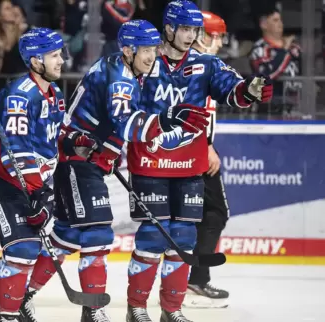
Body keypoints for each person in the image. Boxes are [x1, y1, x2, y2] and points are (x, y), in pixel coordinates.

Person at [19, 19, 210, 322]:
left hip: (82, 158)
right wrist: (170, 119)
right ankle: (93, 310)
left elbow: (116, 122)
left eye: (153, 48)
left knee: (68, 234)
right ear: (127, 50)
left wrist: (108, 151)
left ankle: (20, 295)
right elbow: (129, 124)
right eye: (145, 50)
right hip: (76, 160)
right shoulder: (120, 77)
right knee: (97, 233)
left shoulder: (123, 69)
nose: (152, 56)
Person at [124, 2, 273, 322]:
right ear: (168, 29)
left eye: (195, 30)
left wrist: (250, 89)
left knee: (184, 238)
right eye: (187, 29)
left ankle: (172, 310)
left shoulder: (206, 64)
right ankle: (136, 308)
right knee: (152, 236)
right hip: (151, 162)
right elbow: (120, 103)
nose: (192, 36)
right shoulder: (144, 60)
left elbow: (233, 91)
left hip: (189, 166)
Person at [0, 27, 68, 322]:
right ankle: (7, 315)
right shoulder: (19, 96)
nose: (62, 60)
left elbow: (53, 139)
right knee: (23, 250)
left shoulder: (55, 94)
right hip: (2, 179)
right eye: (54, 55)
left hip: (34, 182)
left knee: (57, 241)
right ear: (36, 61)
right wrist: (36, 191)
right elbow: (14, 151)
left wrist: (76, 142)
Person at [183, 10, 231, 309]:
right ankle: (193, 282)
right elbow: (185, 112)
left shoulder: (204, 64)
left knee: (206, 216)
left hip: (199, 150)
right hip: (193, 153)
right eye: (218, 36)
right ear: (205, 35)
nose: (221, 43)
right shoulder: (194, 66)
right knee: (212, 214)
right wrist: (206, 146)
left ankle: (193, 280)